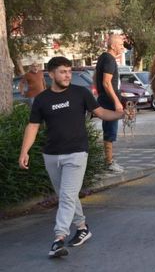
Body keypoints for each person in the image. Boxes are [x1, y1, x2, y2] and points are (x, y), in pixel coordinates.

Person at [18, 56, 124, 258]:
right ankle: (82, 227)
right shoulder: (42, 99)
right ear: (51, 75)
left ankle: (58, 239)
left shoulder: (80, 93)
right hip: (51, 155)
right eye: (62, 72)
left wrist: (119, 114)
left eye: (69, 71)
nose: (67, 75)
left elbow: (101, 112)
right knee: (68, 196)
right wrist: (24, 151)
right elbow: (33, 126)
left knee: (66, 196)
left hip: (76, 153)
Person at [95, 34, 125, 173]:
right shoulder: (109, 59)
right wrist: (116, 101)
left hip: (105, 98)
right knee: (110, 132)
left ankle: (109, 160)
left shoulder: (103, 57)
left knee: (109, 131)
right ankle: (109, 163)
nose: (122, 48)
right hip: (109, 102)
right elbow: (106, 82)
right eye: (120, 45)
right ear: (113, 46)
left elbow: (95, 77)